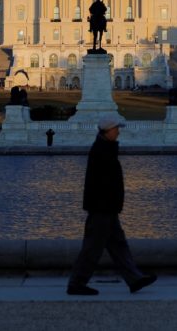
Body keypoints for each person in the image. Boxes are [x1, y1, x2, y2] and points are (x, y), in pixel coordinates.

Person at [67, 114, 156, 296]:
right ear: (107, 131)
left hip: (107, 207)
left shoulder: (106, 147)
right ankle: (76, 283)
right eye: (116, 129)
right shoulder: (102, 150)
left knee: (118, 244)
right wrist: (109, 204)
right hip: (102, 207)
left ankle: (134, 279)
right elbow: (102, 183)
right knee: (93, 247)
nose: (118, 132)